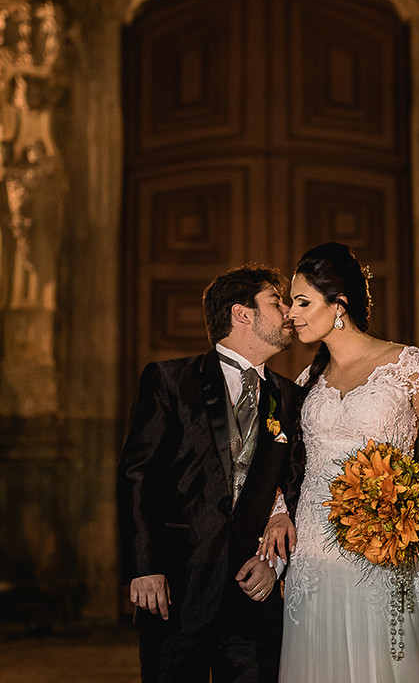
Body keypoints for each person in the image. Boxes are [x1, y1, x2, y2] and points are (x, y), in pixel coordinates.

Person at [262, 242, 419, 682]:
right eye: (290, 302)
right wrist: (279, 513)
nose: (290, 314)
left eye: (302, 302)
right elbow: (284, 464)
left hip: (386, 549)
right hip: (313, 555)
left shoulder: (405, 365)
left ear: (339, 304)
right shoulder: (307, 381)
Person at [118, 264, 306, 683]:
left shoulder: (290, 397)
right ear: (243, 314)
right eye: (276, 302)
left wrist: (273, 563)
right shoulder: (170, 381)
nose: (289, 311)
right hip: (176, 589)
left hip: (252, 592)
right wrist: (145, 566)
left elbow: (295, 487)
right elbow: (138, 476)